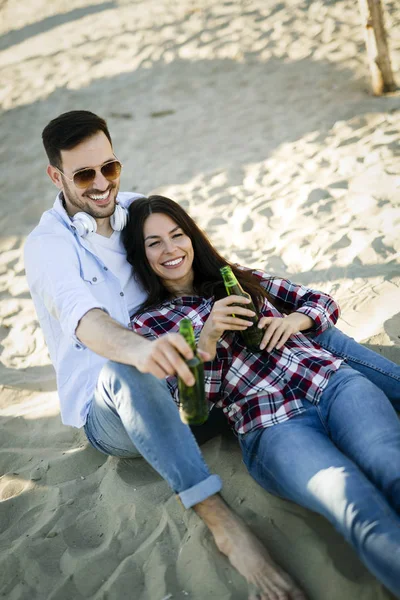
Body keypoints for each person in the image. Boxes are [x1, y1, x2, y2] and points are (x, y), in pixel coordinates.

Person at [24, 110, 399, 599]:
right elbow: (90, 323)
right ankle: (224, 525)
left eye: (109, 168)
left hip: (313, 382)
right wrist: (180, 345)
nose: (101, 184)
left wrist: (291, 320)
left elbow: (305, 298)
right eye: (84, 174)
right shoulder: (51, 249)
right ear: (57, 176)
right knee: (353, 498)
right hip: (135, 398)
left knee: (371, 433)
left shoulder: (140, 214)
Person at [123, 194, 400, 598]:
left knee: (389, 464)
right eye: (154, 243)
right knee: (351, 499)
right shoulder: (150, 323)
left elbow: (320, 302)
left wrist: (294, 320)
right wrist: (208, 339)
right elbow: (189, 407)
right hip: (272, 424)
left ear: (191, 237)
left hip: (332, 383)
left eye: (177, 235)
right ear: (141, 254)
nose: (171, 250)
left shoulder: (235, 276)